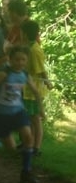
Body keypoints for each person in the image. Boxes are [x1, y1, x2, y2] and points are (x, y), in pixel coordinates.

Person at [0, 46, 43, 183]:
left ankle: (26, 172)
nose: (20, 63)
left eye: (23, 60)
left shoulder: (25, 75)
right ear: (10, 60)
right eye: (17, 59)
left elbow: (36, 92)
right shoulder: (3, 74)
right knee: (11, 150)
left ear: (26, 61)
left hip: (18, 111)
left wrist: (41, 109)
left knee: (28, 137)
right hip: (0, 114)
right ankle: (23, 161)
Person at [20, 20, 52, 156]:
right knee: (30, 119)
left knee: (36, 119)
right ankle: (29, 143)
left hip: (34, 91)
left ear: (25, 34)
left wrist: (47, 82)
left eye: (21, 32)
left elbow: (41, 70)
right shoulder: (28, 47)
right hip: (27, 89)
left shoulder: (34, 50)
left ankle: (36, 147)